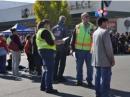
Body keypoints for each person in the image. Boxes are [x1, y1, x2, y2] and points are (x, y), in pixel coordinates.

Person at [36, 19, 64, 93]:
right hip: (47, 51)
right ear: (46, 24)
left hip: (43, 51)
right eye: (49, 25)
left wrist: (56, 42)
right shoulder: (45, 31)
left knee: (46, 70)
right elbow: (51, 42)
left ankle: (43, 86)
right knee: (50, 70)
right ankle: (49, 88)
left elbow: (49, 42)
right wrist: (60, 42)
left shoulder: (40, 31)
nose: (50, 26)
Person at [92, 17, 115, 97]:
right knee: (105, 80)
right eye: (106, 22)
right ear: (102, 23)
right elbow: (108, 48)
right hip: (105, 61)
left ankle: (98, 94)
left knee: (97, 79)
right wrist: (112, 59)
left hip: (96, 60)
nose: (107, 24)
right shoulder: (105, 32)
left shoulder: (95, 32)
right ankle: (104, 95)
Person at [71, 12, 95, 86]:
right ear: (82, 18)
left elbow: (95, 39)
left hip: (89, 51)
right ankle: (79, 80)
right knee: (79, 67)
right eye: (85, 17)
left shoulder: (92, 27)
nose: (87, 18)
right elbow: (73, 38)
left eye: (88, 17)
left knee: (90, 68)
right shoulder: (77, 26)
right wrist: (72, 49)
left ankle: (89, 80)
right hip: (79, 50)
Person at [52, 15, 70, 82]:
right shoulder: (64, 28)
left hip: (55, 48)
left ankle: (54, 76)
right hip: (63, 48)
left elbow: (52, 38)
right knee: (62, 63)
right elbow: (67, 38)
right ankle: (60, 76)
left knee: (56, 62)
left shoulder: (54, 28)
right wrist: (67, 47)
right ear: (64, 20)